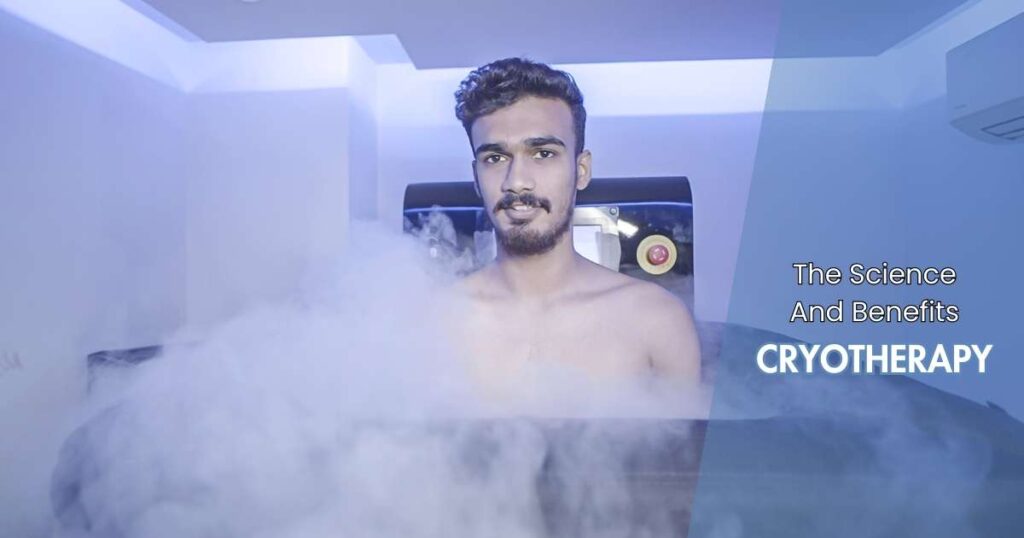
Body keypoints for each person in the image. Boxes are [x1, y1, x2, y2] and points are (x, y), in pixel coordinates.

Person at [450, 57, 701, 402]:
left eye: (543, 153)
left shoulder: (656, 321)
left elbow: (687, 439)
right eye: (495, 158)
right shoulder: (435, 323)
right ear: (476, 178)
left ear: (581, 170)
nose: (517, 181)